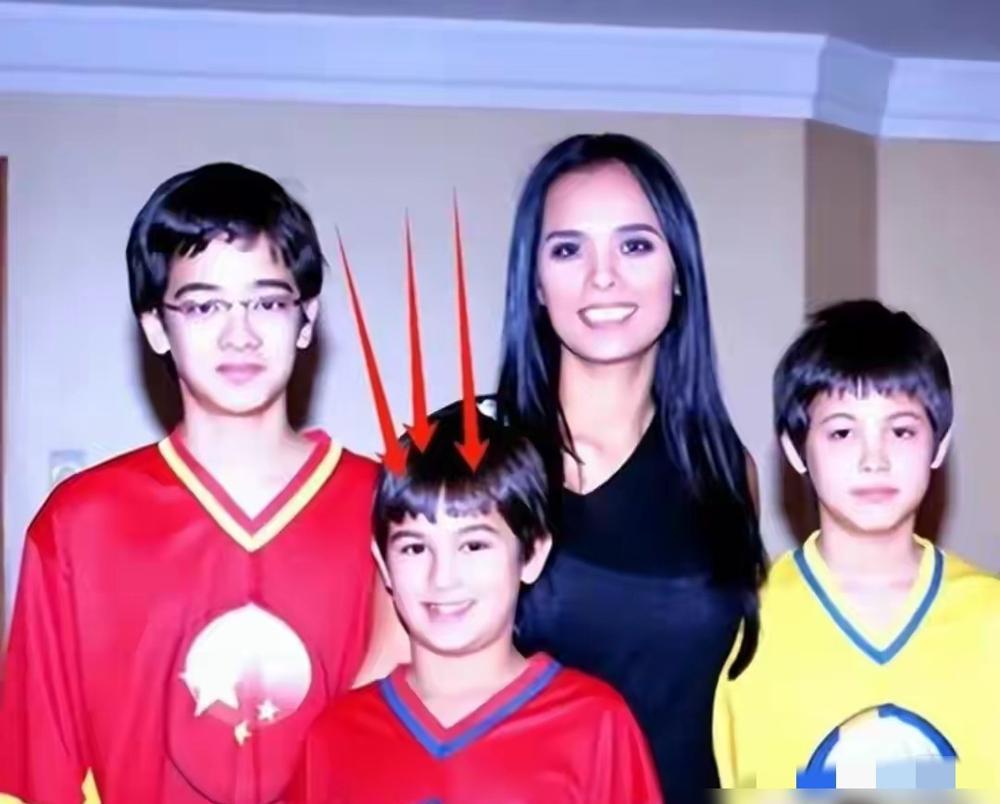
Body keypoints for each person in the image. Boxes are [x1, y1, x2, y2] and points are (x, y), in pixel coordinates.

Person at [0, 163, 389, 803]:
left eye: (268, 302)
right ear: (157, 325)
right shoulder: (80, 525)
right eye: (205, 305)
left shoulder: (393, 511)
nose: (240, 334)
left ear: (306, 318)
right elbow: (38, 766)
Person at [495, 132, 767, 794]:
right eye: (568, 249)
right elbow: (393, 697)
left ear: (680, 272)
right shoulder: (471, 460)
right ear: (535, 282)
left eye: (636, 245)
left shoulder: (727, 472)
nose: (603, 276)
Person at [288, 406, 662, 803]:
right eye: (415, 547)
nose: (443, 577)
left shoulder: (595, 726)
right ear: (384, 564)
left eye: (473, 545)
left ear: (532, 554)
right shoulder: (333, 738)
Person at [713, 299, 1000, 789]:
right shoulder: (746, 622)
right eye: (842, 432)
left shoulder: (989, 617)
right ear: (795, 449)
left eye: (901, 430)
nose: (874, 459)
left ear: (939, 444)